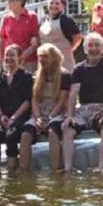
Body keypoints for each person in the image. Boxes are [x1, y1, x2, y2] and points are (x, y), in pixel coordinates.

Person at [61, 32, 103, 171]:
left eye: (97, 45)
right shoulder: (78, 69)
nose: (93, 48)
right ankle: (68, 169)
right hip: (84, 108)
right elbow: (73, 93)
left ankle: (100, 168)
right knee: (67, 128)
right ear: (85, 49)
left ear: (102, 48)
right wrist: (70, 115)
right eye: (90, 45)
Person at [18, 42, 71, 172]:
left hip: (57, 111)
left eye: (45, 56)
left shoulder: (65, 75)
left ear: (54, 58)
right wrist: (37, 118)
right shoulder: (36, 76)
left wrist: (49, 117)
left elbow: (62, 101)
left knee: (52, 133)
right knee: (25, 134)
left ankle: (55, 170)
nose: (41, 60)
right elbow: (34, 99)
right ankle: (23, 171)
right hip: (40, 111)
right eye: (39, 56)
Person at [0, 45, 33, 173]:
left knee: (11, 136)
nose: (8, 58)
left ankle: (11, 172)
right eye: (7, 55)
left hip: (19, 116)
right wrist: (1, 116)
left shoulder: (26, 77)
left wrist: (14, 117)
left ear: (19, 58)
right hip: (3, 117)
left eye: (12, 55)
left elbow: (27, 101)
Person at [0, 0, 40, 73]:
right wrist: (0, 62)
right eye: (8, 0)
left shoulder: (32, 16)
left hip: (28, 62)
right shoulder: (6, 18)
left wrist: (21, 57)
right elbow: (1, 40)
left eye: (11, 0)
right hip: (10, 61)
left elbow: (35, 41)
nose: (8, 3)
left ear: (20, 1)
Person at [38, 0, 83, 73]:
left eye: (57, 3)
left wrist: (69, 49)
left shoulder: (66, 20)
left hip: (64, 63)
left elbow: (78, 38)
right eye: (51, 3)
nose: (54, 6)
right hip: (45, 63)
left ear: (63, 6)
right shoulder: (43, 20)